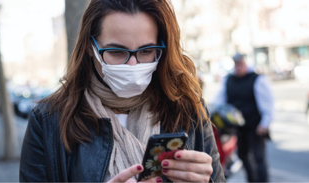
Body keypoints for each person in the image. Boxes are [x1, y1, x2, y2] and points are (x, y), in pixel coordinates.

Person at [20, 0, 225, 182]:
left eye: (146, 51)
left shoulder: (187, 109)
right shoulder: (48, 120)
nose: (133, 65)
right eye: (117, 52)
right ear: (91, 49)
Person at [214, 53, 274, 182]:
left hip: (256, 125)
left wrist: (265, 123)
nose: (238, 67)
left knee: (258, 158)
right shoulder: (229, 79)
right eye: (236, 64)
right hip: (238, 127)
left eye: (241, 63)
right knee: (243, 156)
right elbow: (219, 101)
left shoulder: (257, 79)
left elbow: (267, 102)